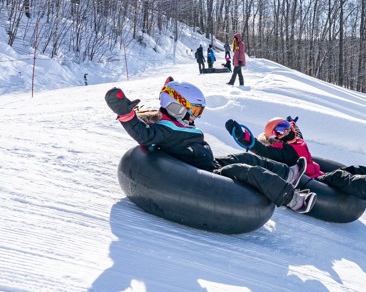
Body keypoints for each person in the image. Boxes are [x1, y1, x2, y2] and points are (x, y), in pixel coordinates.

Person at [105, 79, 317, 214]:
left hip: (210, 163)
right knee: (249, 171)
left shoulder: (176, 123)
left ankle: (287, 174)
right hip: (206, 173)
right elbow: (144, 135)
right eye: (195, 111)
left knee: (246, 158)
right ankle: (294, 200)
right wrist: (127, 115)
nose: (196, 117)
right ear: (178, 106)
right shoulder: (165, 127)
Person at [225, 116, 366, 204]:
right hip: (311, 181)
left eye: (284, 126)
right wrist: (247, 140)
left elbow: (293, 128)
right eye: (279, 131)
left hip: (319, 172)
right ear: (276, 139)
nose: (286, 130)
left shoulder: (295, 137)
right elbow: (263, 151)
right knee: (341, 177)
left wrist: (290, 122)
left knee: (354, 169)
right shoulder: (282, 151)